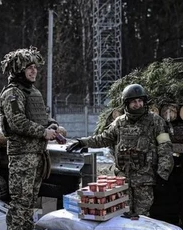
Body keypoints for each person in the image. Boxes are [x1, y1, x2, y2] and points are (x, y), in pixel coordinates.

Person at [66, 84, 174, 217]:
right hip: (123, 180)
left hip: (144, 181)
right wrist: (82, 142)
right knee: (123, 214)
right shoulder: (119, 123)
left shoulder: (156, 122)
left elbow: (165, 148)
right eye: (134, 101)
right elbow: (103, 138)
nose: (138, 104)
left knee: (142, 217)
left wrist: (162, 175)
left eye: (140, 101)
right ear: (126, 104)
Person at [0, 46, 59, 230]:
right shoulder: (12, 94)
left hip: (36, 154)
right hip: (22, 155)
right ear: (18, 69)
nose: (34, 71)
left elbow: (43, 117)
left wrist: (53, 126)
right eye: (29, 68)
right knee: (20, 200)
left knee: (32, 197)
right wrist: (44, 132)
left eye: (35, 67)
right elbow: (17, 122)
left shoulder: (33, 92)